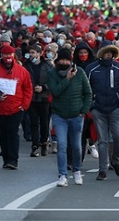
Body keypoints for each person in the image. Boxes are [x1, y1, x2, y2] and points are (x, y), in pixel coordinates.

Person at [0, 44, 33, 170]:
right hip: (0, 108)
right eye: (5, 54)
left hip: (16, 108)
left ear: (14, 55)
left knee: (13, 132)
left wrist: (24, 106)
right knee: (3, 134)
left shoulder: (21, 71)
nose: (8, 57)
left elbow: (28, 89)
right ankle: (6, 158)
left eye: (10, 54)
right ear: (2, 56)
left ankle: (13, 160)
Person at [46, 47, 92, 187]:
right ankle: (62, 174)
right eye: (62, 60)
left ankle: (77, 171)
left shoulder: (80, 73)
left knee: (77, 146)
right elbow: (55, 91)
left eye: (67, 60)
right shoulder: (52, 73)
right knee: (62, 146)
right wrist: (67, 79)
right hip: (59, 115)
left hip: (76, 115)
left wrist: (83, 110)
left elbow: (88, 93)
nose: (64, 62)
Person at [86, 44, 119, 181]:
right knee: (102, 141)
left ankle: (116, 160)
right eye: (106, 52)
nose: (108, 55)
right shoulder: (92, 68)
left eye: (111, 52)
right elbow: (86, 88)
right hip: (98, 108)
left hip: (115, 108)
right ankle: (102, 170)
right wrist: (91, 106)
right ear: (101, 53)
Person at [25, 45, 52, 156]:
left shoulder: (47, 66)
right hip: (31, 98)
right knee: (33, 123)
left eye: (33, 52)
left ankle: (44, 142)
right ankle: (35, 145)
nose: (31, 55)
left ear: (40, 53)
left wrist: (43, 87)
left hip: (44, 98)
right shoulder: (26, 66)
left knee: (44, 123)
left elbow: (52, 81)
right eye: (30, 53)